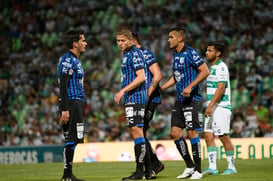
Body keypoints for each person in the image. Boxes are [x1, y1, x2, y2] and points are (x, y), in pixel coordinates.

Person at [160, 26, 209, 179]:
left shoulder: (190, 53)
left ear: (180, 38)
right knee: (174, 133)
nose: (168, 40)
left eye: (171, 37)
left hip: (193, 99)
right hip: (180, 100)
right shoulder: (175, 54)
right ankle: (189, 166)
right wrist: (162, 87)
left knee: (192, 132)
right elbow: (176, 77)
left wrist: (190, 86)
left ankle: (199, 170)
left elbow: (205, 71)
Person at [114, 25, 149, 180]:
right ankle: (145, 169)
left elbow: (141, 77)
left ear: (130, 40)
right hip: (132, 97)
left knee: (136, 131)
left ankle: (140, 171)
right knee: (137, 132)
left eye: (123, 40)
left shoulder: (134, 53)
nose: (120, 43)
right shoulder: (127, 54)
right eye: (118, 41)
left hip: (135, 97)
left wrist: (122, 91)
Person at [131, 31, 164, 177]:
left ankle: (151, 167)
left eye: (123, 40)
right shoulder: (133, 55)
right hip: (142, 98)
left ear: (131, 40)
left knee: (141, 132)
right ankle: (154, 165)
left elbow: (157, 75)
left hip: (150, 99)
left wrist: (148, 93)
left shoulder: (145, 53)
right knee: (141, 132)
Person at [202, 41, 237, 176]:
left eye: (210, 50)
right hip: (211, 106)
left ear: (218, 53)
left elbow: (221, 88)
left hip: (220, 107)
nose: (207, 52)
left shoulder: (222, 67)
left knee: (222, 136)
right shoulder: (210, 68)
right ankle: (212, 167)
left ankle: (231, 167)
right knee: (208, 135)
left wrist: (210, 105)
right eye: (207, 50)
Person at [57, 29, 87, 181]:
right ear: (75, 43)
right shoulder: (67, 59)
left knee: (74, 139)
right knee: (70, 139)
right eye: (83, 40)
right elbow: (63, 84)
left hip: (77, 103)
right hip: (71, 103)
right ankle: (67, 175)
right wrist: (64, 109)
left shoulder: (75, 60)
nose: (85, 43)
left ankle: (68, 175)